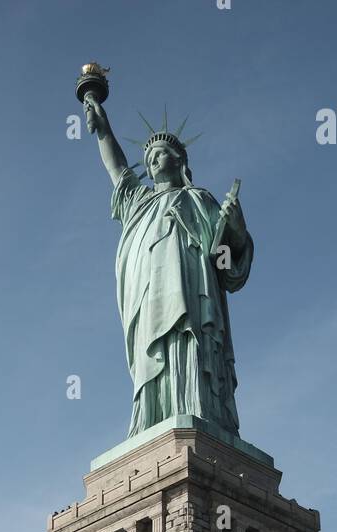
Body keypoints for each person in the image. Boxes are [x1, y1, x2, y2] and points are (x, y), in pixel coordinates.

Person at [83, 92, 253, 440]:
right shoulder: (140, 203)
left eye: (160, 155)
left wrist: (234, 232)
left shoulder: (199, 199)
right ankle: (153, 417)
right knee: (154, 353)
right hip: (149, 298)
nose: (153, 162)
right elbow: (117, 170)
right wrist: (103, 130)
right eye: (149, 158)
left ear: (179, 161)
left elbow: (223, 267)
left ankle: (198, 409)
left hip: (194, 294)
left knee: (189, 345)